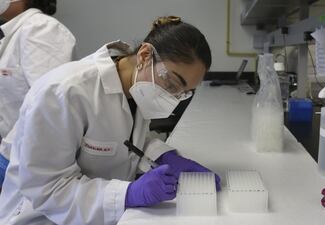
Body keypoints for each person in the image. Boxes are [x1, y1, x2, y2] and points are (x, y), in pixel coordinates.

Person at [0, 15, 220, 225]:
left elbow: (123, 139)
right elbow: (48, 189)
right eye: (172, 83)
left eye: (183, 93)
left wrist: (163, 156)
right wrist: (128, 194)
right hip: (41, 217)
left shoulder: (138, 86)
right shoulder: (63, 93)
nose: (172, 97)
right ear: (145, 55)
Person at [0, 0, 76, 190]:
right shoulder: (14, 32)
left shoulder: (41, 29)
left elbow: (46, 105)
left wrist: (4, 158)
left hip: (22, 161)